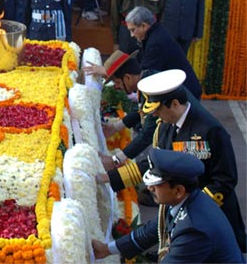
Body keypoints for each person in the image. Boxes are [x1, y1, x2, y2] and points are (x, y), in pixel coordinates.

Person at [102, 69, 246, 253]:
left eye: (158, 109)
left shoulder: (210, 130)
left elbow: (225, 180)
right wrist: (111, 178)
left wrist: (193, 208)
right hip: (178, 206)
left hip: (211, 216)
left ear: (175, 104)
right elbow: (155, 164)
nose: (154, 115)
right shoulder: (165, 128)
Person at [93, 148, 245, 263]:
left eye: (156, 185)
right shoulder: (183, 200)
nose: (149, 189)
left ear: (178, 190)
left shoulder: (194, 228)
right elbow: (154, 229)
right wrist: (107, 249)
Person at [125, 6, 202, 99]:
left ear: (143, 26)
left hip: (186, 94)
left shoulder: (156, 41)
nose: (132, 35)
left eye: (133, 30)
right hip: (180, 90)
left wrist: (132, 92)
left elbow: (146, 74)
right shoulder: (154, 34)